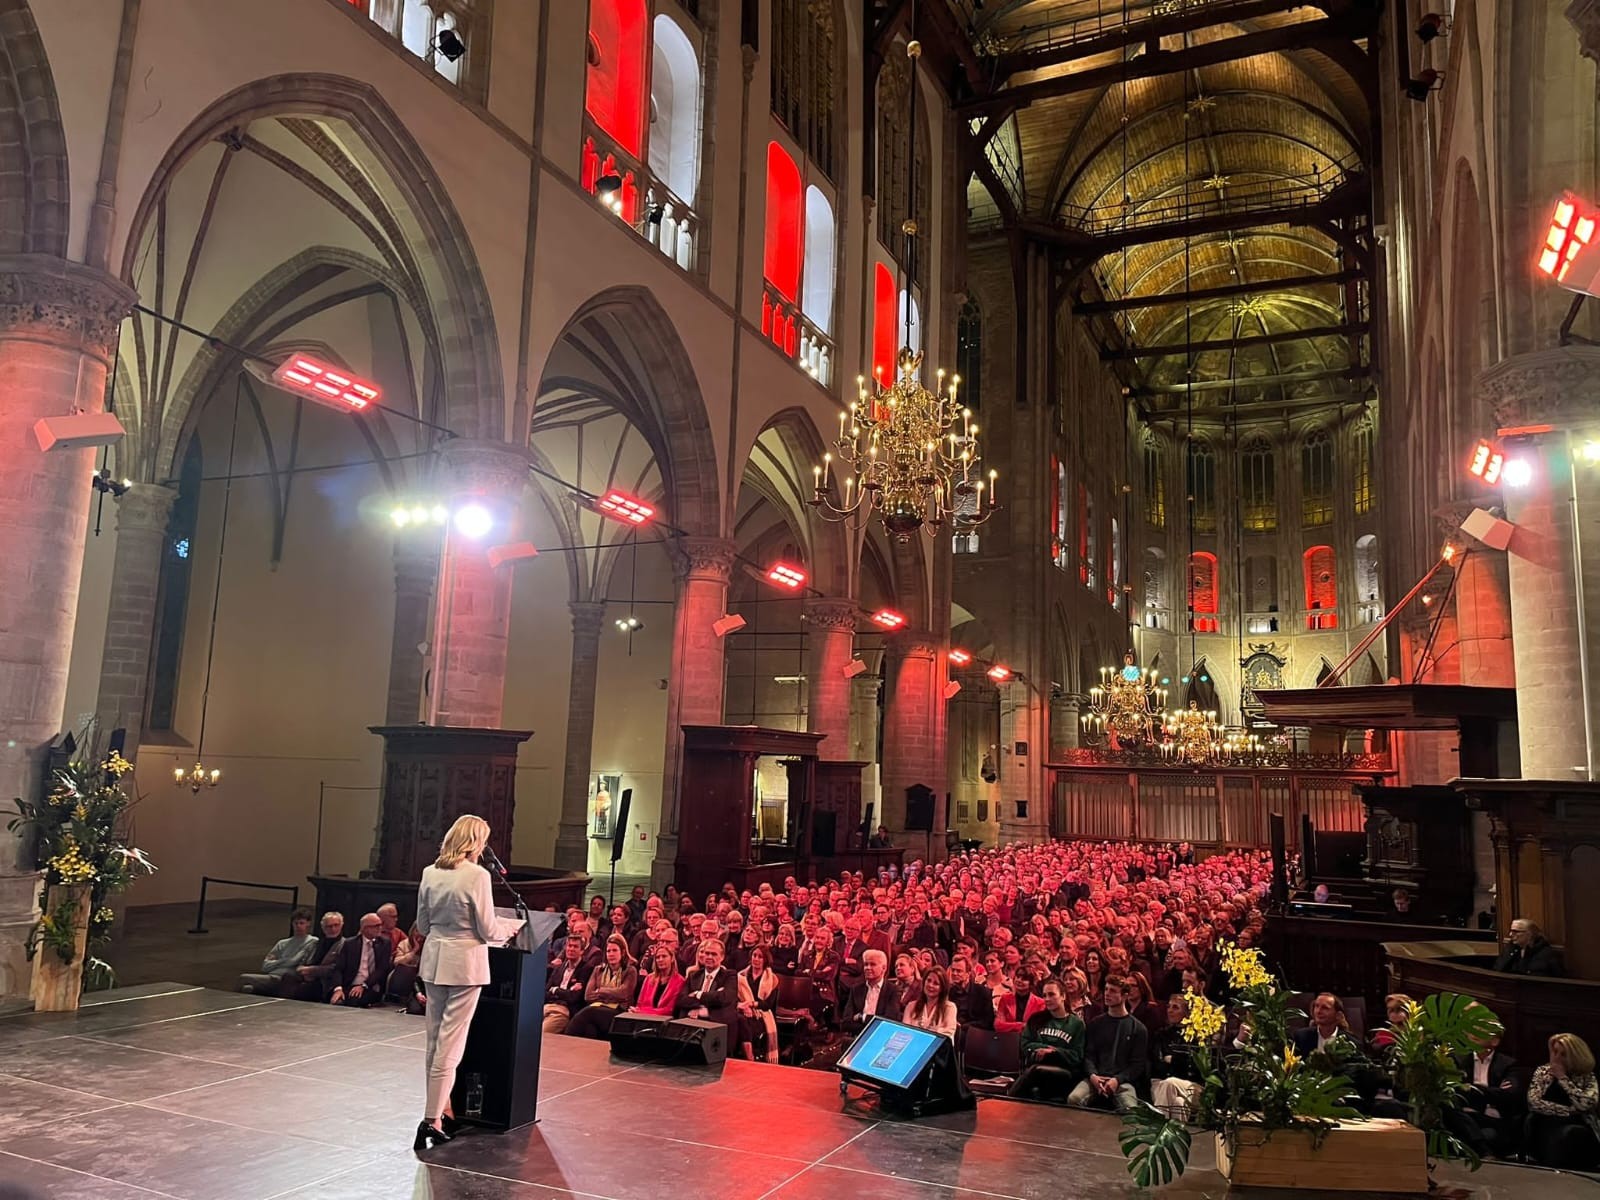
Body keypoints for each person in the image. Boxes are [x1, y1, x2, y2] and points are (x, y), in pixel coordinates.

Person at [414, 814, 500, 1153]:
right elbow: (489, 930)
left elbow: (422, 925)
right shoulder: (477, 875)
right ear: (476, 841)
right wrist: (509, 931)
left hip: (435, 961)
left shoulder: (430, 873)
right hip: (465, 964)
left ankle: (438, 1112)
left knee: (434, 1041)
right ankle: (431, 1118)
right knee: (451, 1044)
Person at [1067, 976, 1148, 1112]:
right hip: (1096, 1078)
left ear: (1124, 996)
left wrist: (1117, 1080)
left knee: (1131, 1109)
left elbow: (1137, 1065)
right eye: (1106, 989)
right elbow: (1088, 1056)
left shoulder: (1138, 1029)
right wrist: (1093, 1076)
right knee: (1074, 1099)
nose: (1107, 994)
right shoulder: (1096, 1023)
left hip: (1122, 1082)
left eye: (1113, 991)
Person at [1525, 1033, 1600, 1169]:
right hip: (1544, 1121)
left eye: (1563, 1054)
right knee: (1554, 1135)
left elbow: (1585, 1104)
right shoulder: (1543, 1072)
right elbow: (1534, 1103)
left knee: (1571, 1133)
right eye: (1555, 1052)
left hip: (1579, 1125)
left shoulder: (1587, 1076)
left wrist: (1563, 1078)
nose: (1557, 1058)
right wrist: (1571, 1111)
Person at [1009, 978, 1085, 1103]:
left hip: (1064, 1072)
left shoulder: (1076, 1024)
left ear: (1063, 996)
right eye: (1044, 995)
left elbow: (1077, 1056)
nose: (1047, 999)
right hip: (1037, 1068)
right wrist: (1042, 1049)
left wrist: (1053, 1051)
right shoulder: (1036, 1019)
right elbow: (1025, 1044)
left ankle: (1009, 1101)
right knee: (1036, 1071)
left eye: (1051, 995)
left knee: (1035, 1070)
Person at [1447, 1032, 1521, 1159]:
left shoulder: (1508, 1064)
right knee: (1451, 1109)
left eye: (1483, 1029)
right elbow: (1457, 1090)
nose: (1475, 1032)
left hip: (1492, 1118)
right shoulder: (1458, 1059)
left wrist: (1472, 1088)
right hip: (1464, 1115)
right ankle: (1484, 1150)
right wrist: (1494, 1091)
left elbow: (1509, 1095)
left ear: (1495, 1041)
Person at [565, 935, 639, 1039]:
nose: (611, 954)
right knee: (590, 1029)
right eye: (608, 951)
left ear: (622, 952)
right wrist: (613, 995)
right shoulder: (598, 970)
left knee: (589, 1012)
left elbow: (624, 993)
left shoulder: (630, 970)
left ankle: (566, 1038)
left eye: (614, 950)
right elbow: (588, 996)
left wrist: (600, 991)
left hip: (619, 1011)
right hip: (599, 1010)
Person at [1150, 994, 1206, 1119]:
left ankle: (1157, 1129)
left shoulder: (1198, 1037)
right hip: (1160, 1083)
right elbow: (1157, 1065)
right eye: (1169, 1006)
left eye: (1175, 1007)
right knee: (1178, 1103)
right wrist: (1180, 1060)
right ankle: (1176, 1137)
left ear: (1187, 1012)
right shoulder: (1161, 1034)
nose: (1170, 1010)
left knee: (1170, 1084)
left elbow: (1196, 1067)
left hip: (1192, 1087)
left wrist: (1173, 1060)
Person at [238, 907, 319, 994]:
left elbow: (294, 961)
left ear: (308, 924)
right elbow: (265, 966)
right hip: (271, 975)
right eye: (296, 923)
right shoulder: (282, 943)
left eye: (301, 923)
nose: (298, 926)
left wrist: (278, 961)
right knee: (247, 988)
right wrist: (286, 960)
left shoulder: (312, 941)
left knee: (243, 978)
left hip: (283, 978)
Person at [330, 913, 393, 1007]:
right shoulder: (350, 943)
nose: (380, 928)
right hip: (349, 984)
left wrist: (364, 985)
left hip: (370, 986)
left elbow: (382, 969)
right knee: (334, 998)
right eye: (376, 926)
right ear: (365, 928)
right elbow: (338, 968)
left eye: (381, 925)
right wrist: (338, 989)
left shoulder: (384, 943)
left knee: (354, 1000)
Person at [677, 937, 738, 1029]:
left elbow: (725, 998)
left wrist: (698, 994)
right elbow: (681, 1000)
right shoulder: (693, 975)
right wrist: (708, 1001)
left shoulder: (729, 976)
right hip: (693, 1022)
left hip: (718, 1025)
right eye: (707, 953)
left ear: (722, 957)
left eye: (713, 954)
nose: (709, 957)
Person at [736, 943, 782, 1062]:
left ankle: (749, 1056)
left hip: (762, 1015)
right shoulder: (741, 977)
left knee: (744, 1022)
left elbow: (768, 1004)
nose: (756, 959)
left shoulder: (772, 979)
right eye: (754, 955)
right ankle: (745, 1056)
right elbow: (735, 998)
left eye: (760, 957)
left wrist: (751, 1004)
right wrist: (743, 1007)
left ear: (765, 960)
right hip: (743, 1011)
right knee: (739, 1020)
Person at [287, 911, 347, 1001]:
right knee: (288, 976)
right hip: (307, 976)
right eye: (329, 926)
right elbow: (303, 961)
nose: (333, 929)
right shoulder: (316, 943)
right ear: (323, 928)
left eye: (336, 925)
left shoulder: (345, 944)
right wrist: (302, 969)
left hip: (326, 981)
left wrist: (311, 970)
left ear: (341, 925)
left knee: (303, 989)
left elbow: (335, 968)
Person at [543, 935, 595, 1034]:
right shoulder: (559, 967)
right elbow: (545, 992)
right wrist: (565, 992)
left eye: (575, 947)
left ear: (582, 951)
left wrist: (555, 990)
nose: (571, 949)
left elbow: (574, 997)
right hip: (546, 1007)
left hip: (562, 1011)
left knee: (541, 1035)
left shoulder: (586, 969)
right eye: (569, 946)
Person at [840, 948, 901, 1032]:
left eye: (872, 964)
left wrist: (862, 1017)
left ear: (884, 968)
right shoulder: (856, 989)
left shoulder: (893, 991)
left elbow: (889, 1022)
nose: (867, 968)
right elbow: (845, 1023)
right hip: (857, 1037)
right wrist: (870, 1028)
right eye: (866, 964)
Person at [902, 966, 959, 1039]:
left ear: (942, 988)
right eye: (928, 980)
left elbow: (948, 1035)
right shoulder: (911, 1006)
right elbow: (905, 1032)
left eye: (936, 983)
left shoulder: (950, 1008)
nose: (930, 985)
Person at [1495, 918, 1565, 977]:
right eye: (1511, 931)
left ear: (1529, 934)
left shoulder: (1546, 953)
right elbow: (1498, 969)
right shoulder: (1511, 948)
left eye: (1515, 931)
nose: (1510, 934)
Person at [1291, 993, 1354, 1057]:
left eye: (1325, 1008)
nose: (1318, 1011)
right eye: (1317, 1006)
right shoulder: (1301, 1037)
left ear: (1338, 1015)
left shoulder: (1350, 1042)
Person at [632, 944, 685, 1016]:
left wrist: (643, 1012)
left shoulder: (680, 981)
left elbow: (669, 1010)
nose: (660, 959)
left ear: (672, 958)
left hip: (664, 1021)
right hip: (643, 1018)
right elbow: (640, 1004)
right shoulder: (649, 978)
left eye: (664, 956)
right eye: (657, 957)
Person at [946, 956, 995, 1030]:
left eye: (959, 971)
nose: (954, 973)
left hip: (974, 1033)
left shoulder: (982, 992)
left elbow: (987, 1022)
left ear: (968, 973)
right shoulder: (949, 992)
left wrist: (963, 1026)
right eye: (953, 970)